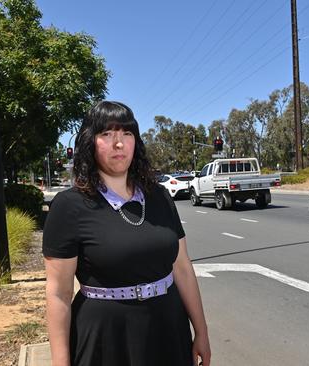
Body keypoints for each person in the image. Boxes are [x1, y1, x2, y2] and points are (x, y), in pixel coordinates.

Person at [43, 101, 211, 366]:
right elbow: (58, 294)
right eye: (107, 135)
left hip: (168, 330)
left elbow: (182, 268)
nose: (118, 144)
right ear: (90, 143)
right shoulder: (69, 206)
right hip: (106, 338)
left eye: (126, 134)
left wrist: (201, 331)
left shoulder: (160, 197)